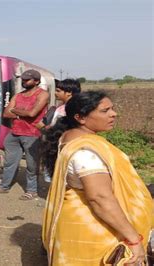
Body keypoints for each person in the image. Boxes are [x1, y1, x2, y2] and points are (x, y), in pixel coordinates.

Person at [42, 91, 152, 265]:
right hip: (92, 227)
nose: (113, 113)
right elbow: (100, 198)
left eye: (112, 109)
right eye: (105, 110)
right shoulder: (86, 152)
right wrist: (134, 239)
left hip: (75, 219)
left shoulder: (69, 137)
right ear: (81, 118)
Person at [0, 69, 49, 200]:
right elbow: (6, 113)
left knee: (32, 165)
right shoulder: (18, 95)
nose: (24, 82)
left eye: (27, 80)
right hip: (14, 134)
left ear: (36, 81)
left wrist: (15, 111)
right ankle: (4, 187)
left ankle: (32, 190)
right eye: (23, 79)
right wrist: (22, 112)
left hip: (32, 134)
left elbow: (33, 113)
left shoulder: (42, 95)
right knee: (10, 163)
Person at [40, 78, 81, 182]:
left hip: (66, 145)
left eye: (58, 91)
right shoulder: (62, 106)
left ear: (68, 93)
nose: (55, 93)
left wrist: (50, 128)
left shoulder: (74, 108)